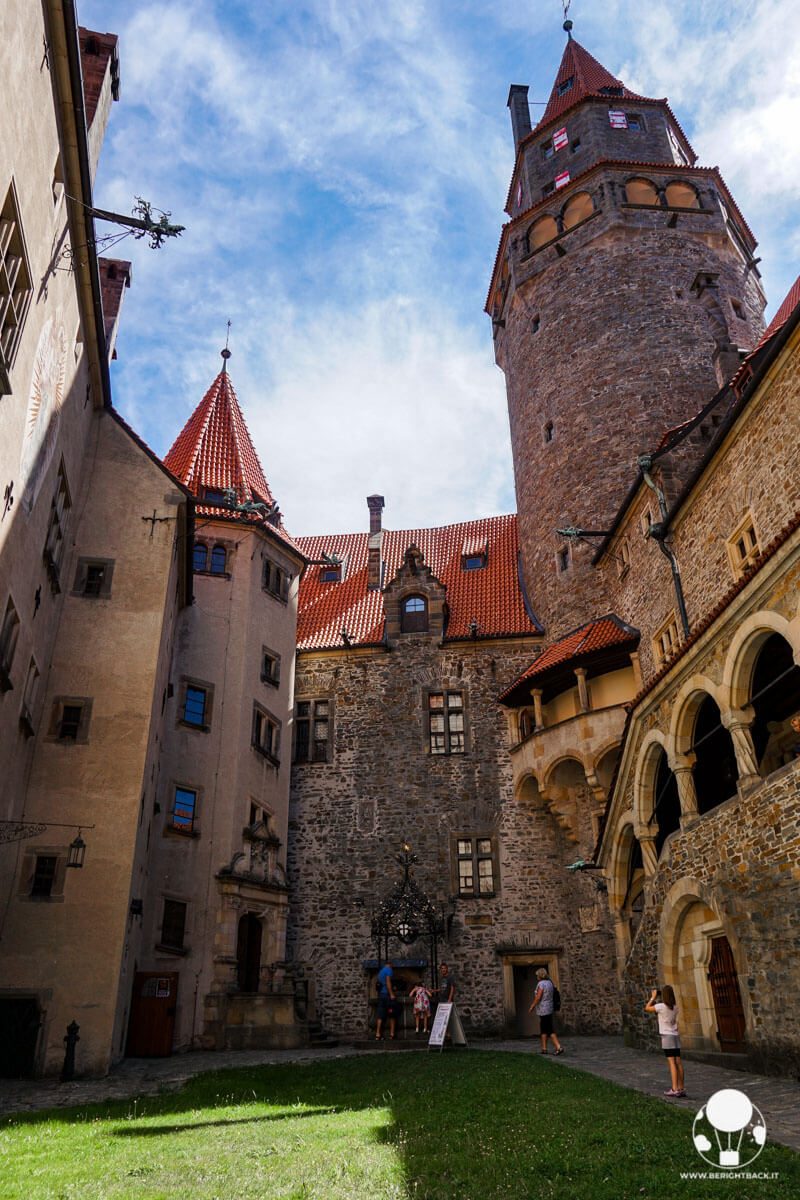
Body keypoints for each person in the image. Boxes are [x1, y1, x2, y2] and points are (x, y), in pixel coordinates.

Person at [645, 984, 685, 1097]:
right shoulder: (675, 1007)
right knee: (678, 1062)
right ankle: (681, 1088)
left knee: (671, 1062)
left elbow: (647, 1008)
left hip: (667, 1037)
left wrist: (653, 997)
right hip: (675, 1035)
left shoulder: (661, 1006)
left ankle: (674, 1088)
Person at [529, 966, 563, 1055]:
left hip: (543, 1010)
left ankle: (558, 1047)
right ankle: (544, 1048)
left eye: (537, 975)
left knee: (549, 1029)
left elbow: (538, 997)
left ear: (540, 976)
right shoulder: (550, 983)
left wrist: (532, 1006)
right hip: (549, 1008)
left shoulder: (541, 984)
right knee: (544, 1028)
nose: (536, 977)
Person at [375, 960, 396, 1041]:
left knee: (380, 1015)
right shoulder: (389, 970)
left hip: (381, 995)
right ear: (390, 964)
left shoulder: (381, 971)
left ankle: (378, 1034)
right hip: (387, 995)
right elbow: (388, 982)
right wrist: (391, 994)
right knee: (392, 1014)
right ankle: (392, 1034)